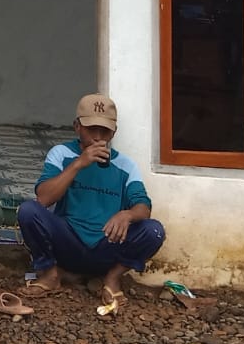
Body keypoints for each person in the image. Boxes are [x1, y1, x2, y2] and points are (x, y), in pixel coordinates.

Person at [17, 94, 165, 315]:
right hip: (68, 242)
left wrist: (127, 215)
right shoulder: (62, 154)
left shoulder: (126, 165)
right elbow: (44, 199)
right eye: (90, 129)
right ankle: (50, 274)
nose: (97, 137)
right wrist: (79, 164)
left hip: (107, 245)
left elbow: (143, 206)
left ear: (113, 132)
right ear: (77, 127)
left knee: (154, 231)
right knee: (28, 211)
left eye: (104, 131)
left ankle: (112, 279)